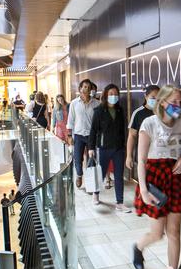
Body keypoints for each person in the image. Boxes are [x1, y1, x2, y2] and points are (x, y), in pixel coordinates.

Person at [132, 85, 181, 269]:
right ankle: (138, 247)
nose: (177, 106)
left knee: (174, 232)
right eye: (173, 102)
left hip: (176, 179)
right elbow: (141, 160)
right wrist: (144, 190)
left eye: (180, 102)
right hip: (156, 178)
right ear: (163, 102)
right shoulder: (149, 123)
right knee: (157, 234)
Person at [88, 84, 131, 212]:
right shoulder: (99, 111)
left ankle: (120, 202)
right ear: (106, 95)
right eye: (111, 94)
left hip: (118, 148)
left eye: (116, 94)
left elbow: (123, 130)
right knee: (100, 174)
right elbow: (93, 130)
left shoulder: (120, 110)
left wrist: (124, 147)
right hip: (104, 148)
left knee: (118, 176)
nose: (114, 96)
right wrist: (91, 147)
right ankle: (96, 194)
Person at [67, 79, 100, 188]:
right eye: (84, 86)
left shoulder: (96, 103)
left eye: (88, 87)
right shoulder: (74, 103)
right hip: (79, 135)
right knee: (77, 158)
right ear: (80, 88)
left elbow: (99, 121)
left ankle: (91, 180)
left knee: (92, 158)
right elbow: (71, 120)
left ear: (91, 90)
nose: (86, 89)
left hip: (91, 135)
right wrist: (69, 135)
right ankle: (79, 175)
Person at [126, 85, 159, 172]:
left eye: (158, 98)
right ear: (146, 96)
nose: (155, 100)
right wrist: (129, 156)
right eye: (153, 97)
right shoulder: (138, 113)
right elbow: (132, 135)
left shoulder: (162, 112)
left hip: (159, 155)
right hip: (144, 156)